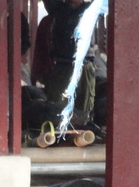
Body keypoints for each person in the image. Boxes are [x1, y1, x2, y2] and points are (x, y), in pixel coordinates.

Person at [41, 0, 99, 133]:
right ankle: (57, 135)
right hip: (63, 64)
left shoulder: (91, 8)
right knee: (55, 107)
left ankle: (82, 135)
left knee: (84, 110)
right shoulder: (57, 8)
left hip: (84, 64)